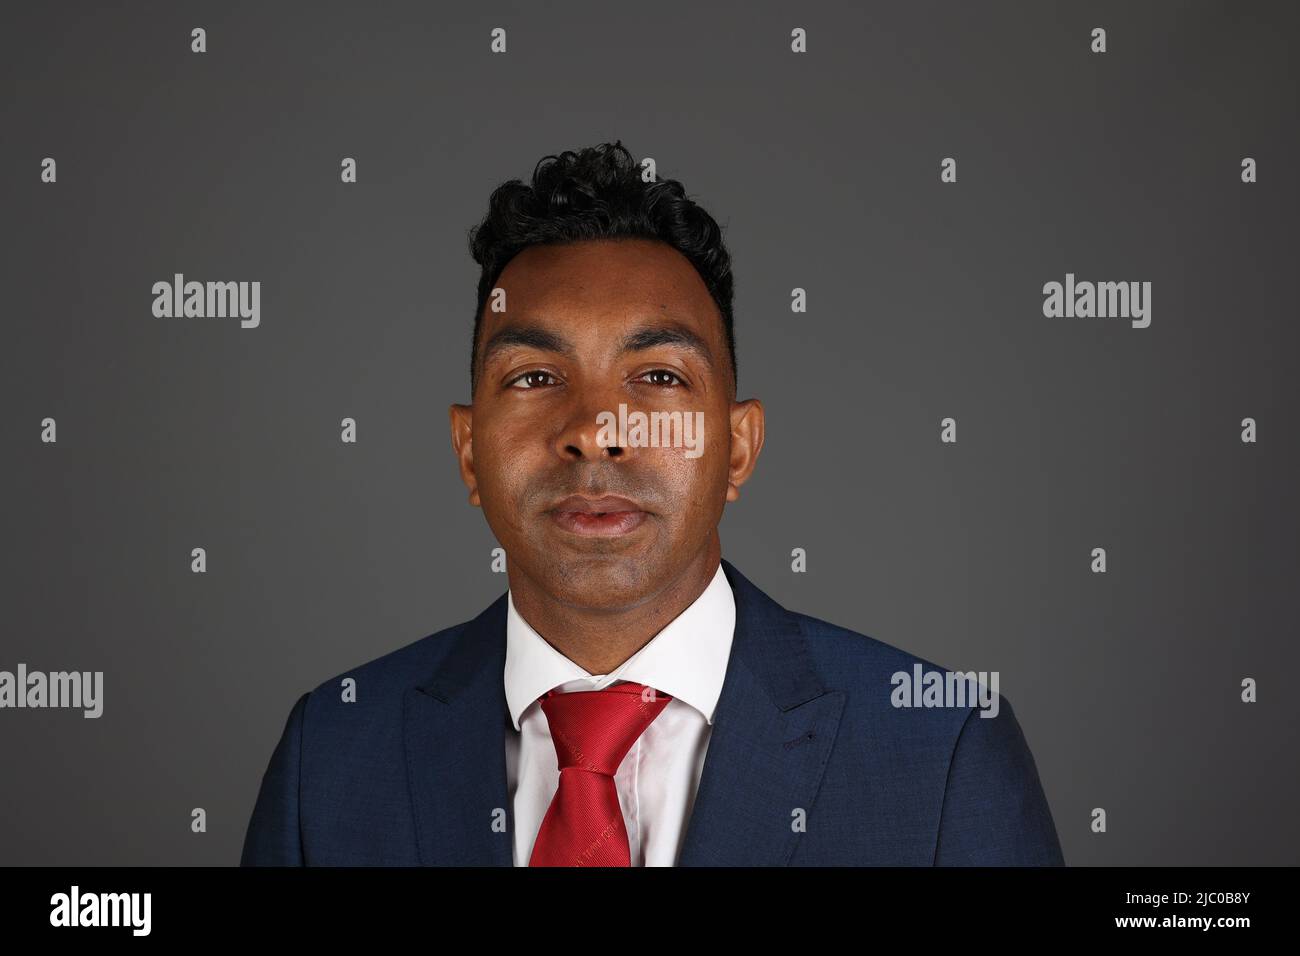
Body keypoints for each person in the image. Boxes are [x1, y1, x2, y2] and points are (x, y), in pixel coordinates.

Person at [240, 141, 1064, 866]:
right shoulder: (335, 755)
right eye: (534, 378)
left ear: (738, 446)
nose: (597, 431)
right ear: (468, 451)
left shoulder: (941, 750)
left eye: (660, 377)